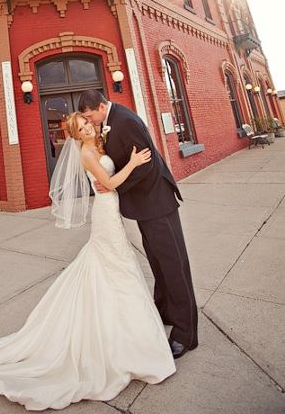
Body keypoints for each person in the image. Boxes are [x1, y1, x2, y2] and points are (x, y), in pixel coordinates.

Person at [0, 112, 175, 410]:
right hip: (106, 214)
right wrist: (134, 164)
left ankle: (132, 336)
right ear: (75, 137)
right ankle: (126, 343)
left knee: (113, 268)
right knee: (114, 267)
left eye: (87, 124)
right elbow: (109, 183)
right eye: (81, 129)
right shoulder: (86, 153)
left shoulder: (99, 145)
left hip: (111, 214)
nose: (87, 129)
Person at [78, 89, 198, 359]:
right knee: (158, 262)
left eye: (90, 116)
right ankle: (165, 310)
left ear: (100, 106)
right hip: (145, 207)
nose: (91, 122)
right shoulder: (110, 121)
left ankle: (185, 334)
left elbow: (147, 165)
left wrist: (114, 188)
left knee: (174, 266)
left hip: (157, 204)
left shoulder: (126, 120)